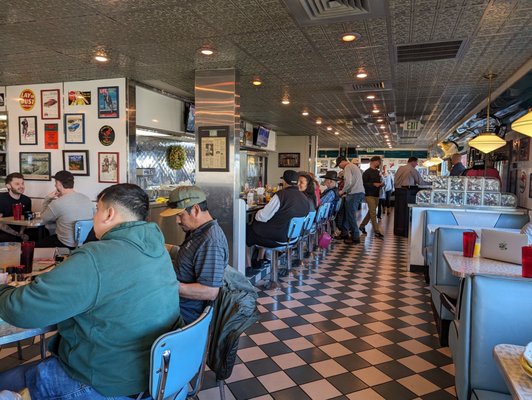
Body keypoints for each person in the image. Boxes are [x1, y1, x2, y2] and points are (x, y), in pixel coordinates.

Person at [0, 183, 181, 398]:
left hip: (103, 380)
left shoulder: (95, 257)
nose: (94, 217)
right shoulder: (157, 248)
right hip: (153, 375)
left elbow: (21, 310)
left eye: (97, 211)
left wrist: (3, 289)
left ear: (109, 213)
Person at [161, 186, 228, 325]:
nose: (177, 221)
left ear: (196, 209)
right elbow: (188, 256)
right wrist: (161, 247)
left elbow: (209, 291)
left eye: (180, 215)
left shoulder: (210, 240)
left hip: (184, 315)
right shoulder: (198, 232)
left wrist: (164, 285)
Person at [246, 170, 310, 266]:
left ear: (284, 181)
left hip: (278, 238)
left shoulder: (281, 195)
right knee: (263, 227)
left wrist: (257, 213)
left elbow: (262, 217)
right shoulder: (304, 197)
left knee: (246, 231)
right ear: (297, 182)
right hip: (294, 238)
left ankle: (248, 267)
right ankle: (260, 260)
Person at [37, 171, 94, 248]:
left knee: (37, 245)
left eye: (55, 183)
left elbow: (42, 220)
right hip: (85, 243)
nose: (55, 185)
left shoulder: (57, 203)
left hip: (65, 244)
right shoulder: (86, 199)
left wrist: (47, 199)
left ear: (59, 184)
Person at [393, 157, 430, 236]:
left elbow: (395, 181)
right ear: (413, 162)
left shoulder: (400, 168)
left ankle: (398, 231)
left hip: (398, 192)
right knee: (406, 212)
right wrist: (432, 184)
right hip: (407, 192)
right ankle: (405, 231)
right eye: (416, 163)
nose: (416, 164)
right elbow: (420, 182)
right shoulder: (412, 170)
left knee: (399, 212)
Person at [335, 156, 365, 244]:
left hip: (354, 194)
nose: (340, 167)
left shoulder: (347, 167)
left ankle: (355, 237)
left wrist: (342, 192)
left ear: (342, 162)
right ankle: (344, 233)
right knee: (347, 214)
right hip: (357, 193)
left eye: (339, 165)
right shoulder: (354, 166)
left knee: (351, 215)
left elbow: (348, 182)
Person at [0, 173, 31, 242]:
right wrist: (17, 235)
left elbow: (26, 220)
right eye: (17, 184)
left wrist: (21, 233)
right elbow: (0, 224)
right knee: (9, 239)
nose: (21, 186)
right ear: (8, 186)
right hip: (4, 231)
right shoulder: (1, 199)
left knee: (43, 232)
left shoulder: (27, 200)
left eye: (22, 183)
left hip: (20, 231)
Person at [359, 156, 384, 238]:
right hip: (369, 194)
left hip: (376, 194)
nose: (379, 163)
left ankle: (362, 226)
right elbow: (363, 184)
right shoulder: (367, 172)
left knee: (371, 212)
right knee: (373, 213)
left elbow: (379, 182)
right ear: (373, 161)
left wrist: (381, 184)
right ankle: (376, 231)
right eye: (378, 161)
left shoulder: (377, 172)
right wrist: (373, 184)